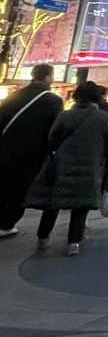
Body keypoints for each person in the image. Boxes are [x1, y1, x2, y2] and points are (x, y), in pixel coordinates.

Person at [27, 80, 108, 257]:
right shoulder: (103, 118)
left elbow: (52, 139)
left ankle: (43, 238)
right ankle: (73, 243)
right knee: (81, 206)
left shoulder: (65, 115)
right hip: (89, 167)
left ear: (77, 96)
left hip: (62, 166)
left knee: (53, 203)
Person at [0, 64, 63, 239]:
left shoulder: (14, 95)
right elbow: (55, 131)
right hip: (31, 155)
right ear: (48, 77)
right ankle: (6, 224)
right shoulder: (53, 101)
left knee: (3, 184)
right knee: (19, 190)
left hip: (4, 150)